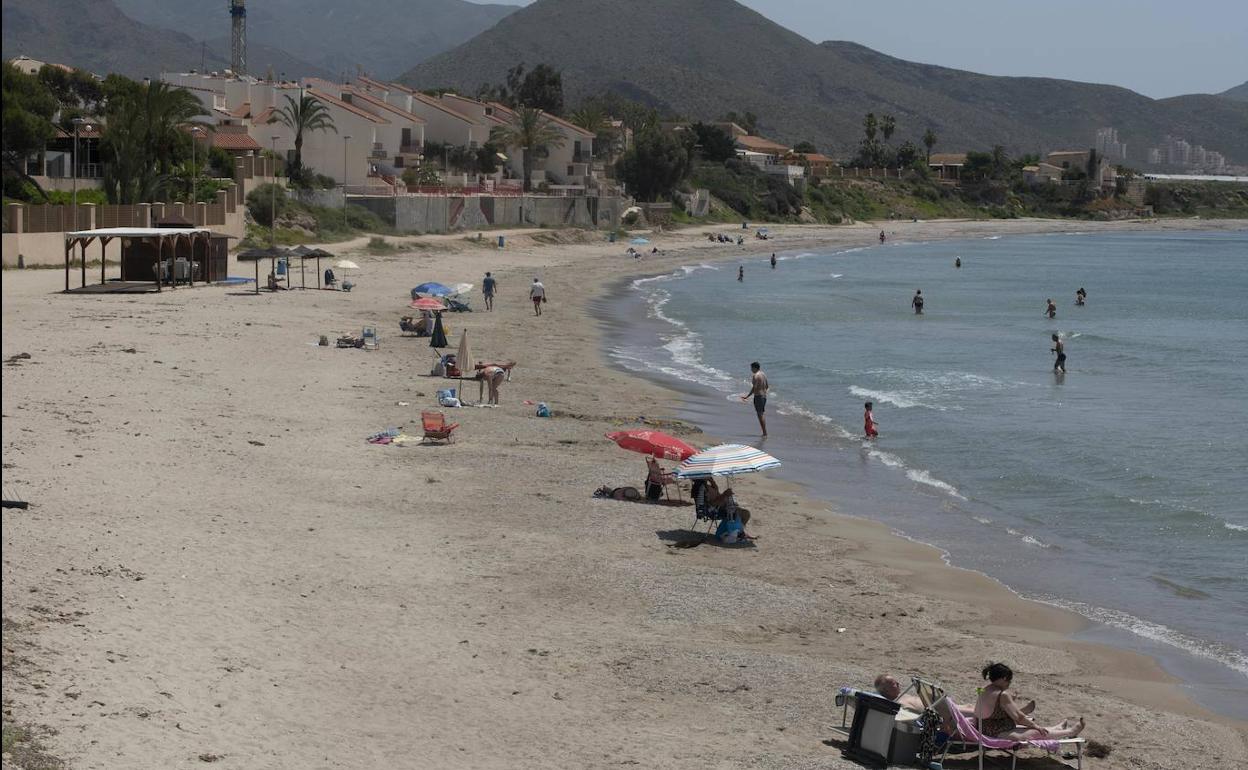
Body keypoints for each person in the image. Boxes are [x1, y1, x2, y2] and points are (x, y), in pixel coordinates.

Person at [975, 662, 1085, 740]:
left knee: (1029, 727)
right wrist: (1035, 725)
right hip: (994, 731)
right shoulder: (1002, 694)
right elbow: (1019, 718)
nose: (1009, 683)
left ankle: (1056, 729)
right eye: (1009, 680)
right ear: (1004, 678)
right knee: (1035, 732)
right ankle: (1070, 732)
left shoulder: (984, 688)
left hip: (982, 727)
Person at [740, 361, 769, 436]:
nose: (751, 370)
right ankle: (764, 432)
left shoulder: (755, 376)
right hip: (764, 396)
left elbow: (754, 388)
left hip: (758, 397)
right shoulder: (763, 374)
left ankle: (764, 433)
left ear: (754, 368)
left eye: (751, 368)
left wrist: (747, 396)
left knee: (760, 415)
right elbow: (767, 386)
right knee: (761, 413)